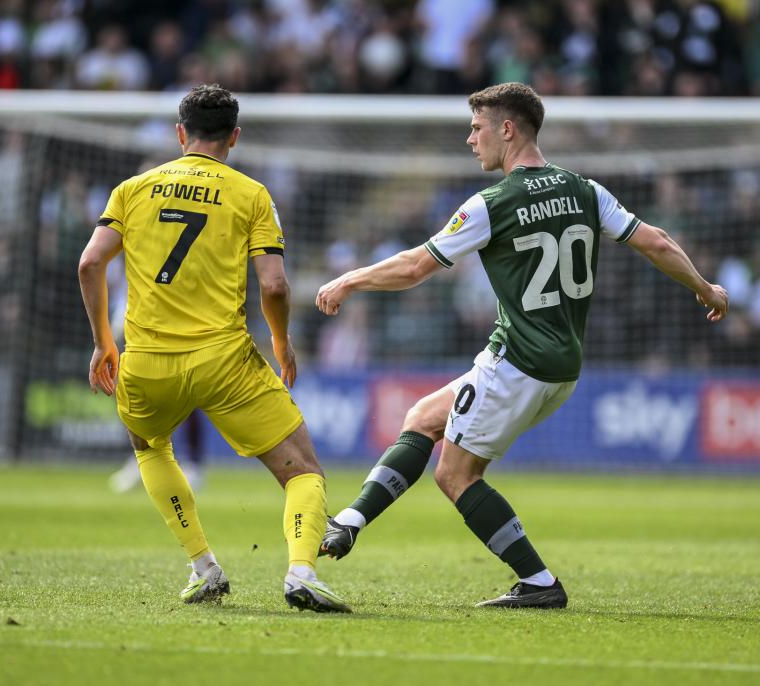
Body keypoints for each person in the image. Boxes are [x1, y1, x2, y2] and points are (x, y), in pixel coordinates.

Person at [315, 82, 728, 609]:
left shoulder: (492, 203)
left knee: (455, 474)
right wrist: (705, 288)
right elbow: (658, 242)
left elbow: (417, 266)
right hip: (562, 365)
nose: (470, 139)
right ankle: (349, 522)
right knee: (423, 416)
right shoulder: (585, 189)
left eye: (477, 127)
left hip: (518, 363)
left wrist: (350, 280)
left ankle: (538, 581)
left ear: (507, 129)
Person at [79, 84, 350, 613]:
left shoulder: (133, 189)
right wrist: (280, 339)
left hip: (148, 359)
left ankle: (203, 566)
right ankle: (300, 572)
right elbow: (273, 285)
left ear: (180, 134)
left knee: (150, 449)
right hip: (224, 360)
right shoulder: (251, 194)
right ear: (235, 138)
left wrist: (104, 344)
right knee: (302, 470)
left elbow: (90, 264)